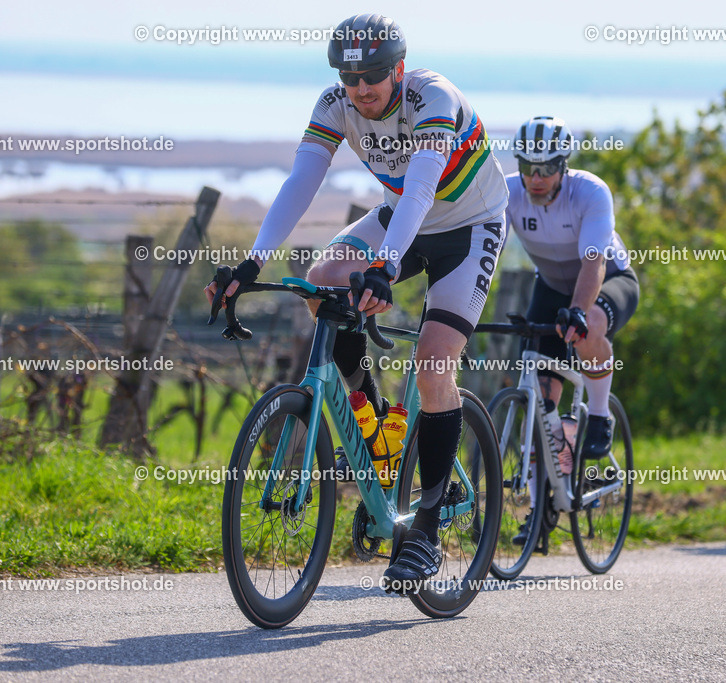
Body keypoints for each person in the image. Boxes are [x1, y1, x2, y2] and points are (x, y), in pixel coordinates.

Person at [204, 14, 508, 589]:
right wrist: (252, 262)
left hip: (469, 225)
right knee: (323, 281)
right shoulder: (334, 104)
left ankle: (424, 531)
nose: (361, 88)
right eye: (350, 77)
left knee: (435, 361)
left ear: (397, 68)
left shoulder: (432, 96)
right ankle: (373, 420)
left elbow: (421, 185)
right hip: (403, 217)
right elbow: (302, 181)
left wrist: (385, 267)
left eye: (372, 75)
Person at [503, 116, 639, 543]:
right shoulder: (507, 192)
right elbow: (479, 245)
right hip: (550, 286)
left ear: (564, 165)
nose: (535, 178)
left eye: (545, 169)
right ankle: (544, 506)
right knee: (543, 402)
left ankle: (598, 416)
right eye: (527, 167)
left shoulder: (591, 191)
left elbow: (594, 262)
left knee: (589, 326)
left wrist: (579, 311)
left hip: (608, 279)